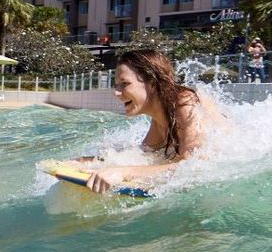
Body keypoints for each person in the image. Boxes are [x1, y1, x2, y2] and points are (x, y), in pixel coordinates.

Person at [78, 49, 224, 194]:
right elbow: (142, 156)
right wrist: (86, 163)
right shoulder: (160, 117)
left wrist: (123, 173)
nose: (116, 93)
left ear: (153, 83)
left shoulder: (185, 103)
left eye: (124, 84)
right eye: (116, 85)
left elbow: (195, 167)